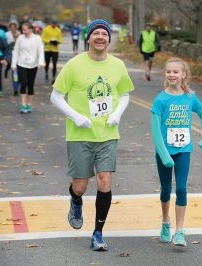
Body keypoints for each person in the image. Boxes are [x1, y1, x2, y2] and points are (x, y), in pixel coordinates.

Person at [50, 19, 134, 251]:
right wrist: (75, 117)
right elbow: (55, 97)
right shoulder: (75, 64)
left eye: (104, 34)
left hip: (107, 134)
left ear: (109, 38)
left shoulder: (117, 65)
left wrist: (117, 113)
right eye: (96, 33)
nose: (100, 37)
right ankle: (75, 201)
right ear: (88, 38)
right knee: (80, 187)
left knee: (104, 181)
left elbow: (125, 95)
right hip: (79, 135)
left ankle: (98, 233)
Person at [151, 57, 202, 247]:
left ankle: (179, 231)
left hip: (183, 150)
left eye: (176, 72)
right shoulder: (161, 99)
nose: (171, 75)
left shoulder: (190, 97)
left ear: (184, 75)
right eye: (169, 71)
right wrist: (164, 154)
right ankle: (165, 222)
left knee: (182, 188)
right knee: (166, 190)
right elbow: (154, 131)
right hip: (164, 153)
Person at [12, 23, 44, 114]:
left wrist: (41, 62)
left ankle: (28, 104)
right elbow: (16, 51)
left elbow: (40, 51)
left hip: (33, 65)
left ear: (31, 30)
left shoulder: (37, 38)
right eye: (23, 30)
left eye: (25, 30)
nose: (24, 32)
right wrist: (13, 64)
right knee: (23, 83)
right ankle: (23, 104)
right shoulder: (20, 38)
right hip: (21, 64)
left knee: (30, 85)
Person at [41, 18, 62, 83]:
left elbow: (61, 40)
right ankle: (46, 73)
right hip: (47, 49)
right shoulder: (46, 29)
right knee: (47, 63)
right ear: (51, 23)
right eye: (53, 23)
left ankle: (53, 77)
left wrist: (57, 42)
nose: (54, 25)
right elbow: (43, 38)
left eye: (55, 24)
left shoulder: (58, 30)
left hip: (55, 50)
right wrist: (49, 41)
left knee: (54, 64)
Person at [5, 20, 20, 95]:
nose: (13, 28)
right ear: (9, 27)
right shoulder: (7, 34)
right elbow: (5, 45)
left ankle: (17, 84)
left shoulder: (19, 34)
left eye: (14, 27)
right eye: (11, 27)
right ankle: (15, 88)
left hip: (19, 57)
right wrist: (11, 43)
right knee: (14, 73)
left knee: (19, 73)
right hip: (11, 55)